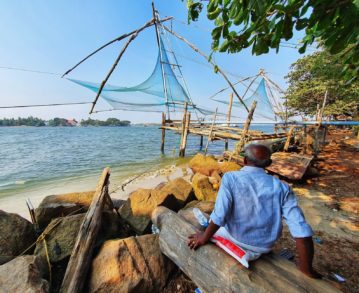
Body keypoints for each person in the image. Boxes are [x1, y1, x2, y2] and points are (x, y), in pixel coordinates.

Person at [188, 144, 321, 278]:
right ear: (268, 163)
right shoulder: (282, 188)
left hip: (234, 237)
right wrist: (306, 268)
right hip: (263, 246)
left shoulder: (231, 178)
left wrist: (204, 237)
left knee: (210, 222)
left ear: (245, 160)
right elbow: (301, 229)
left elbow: (220, 215)